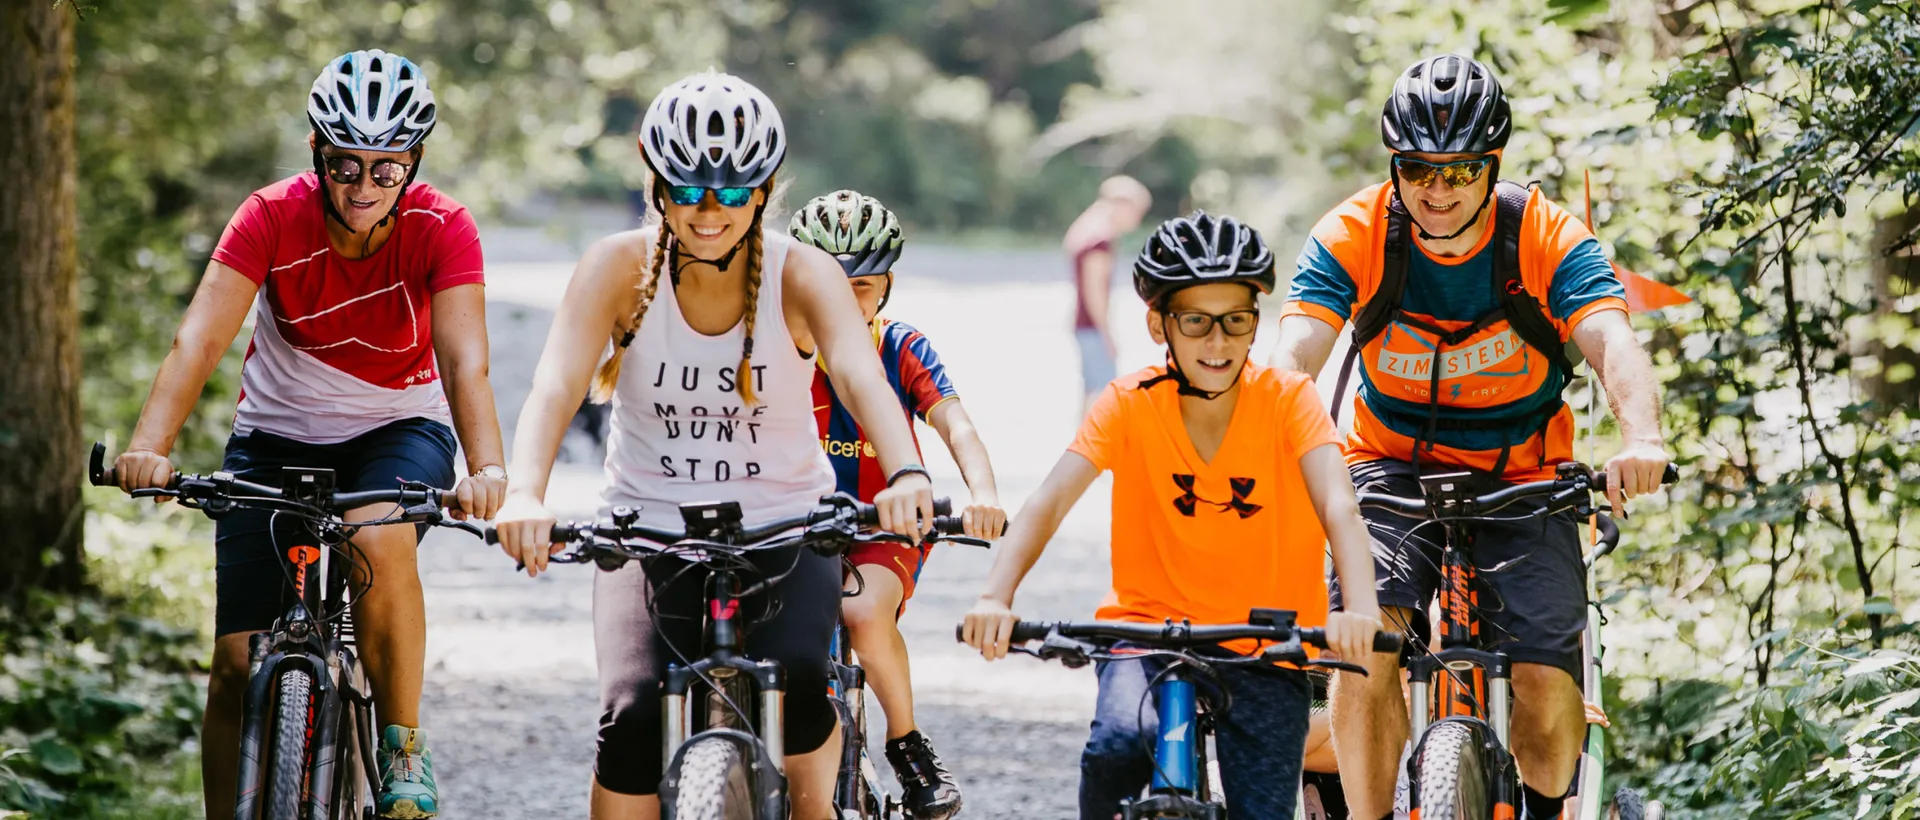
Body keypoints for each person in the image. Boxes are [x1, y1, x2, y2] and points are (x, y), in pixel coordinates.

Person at [489, 71, 936, 820]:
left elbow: (860, 378)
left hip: (785, 527)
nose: (709, 211)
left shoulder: (803, 272)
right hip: (646, 528)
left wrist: (908, 470)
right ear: (656, 183)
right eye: (689, 189)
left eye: (732, 194)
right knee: (630, 717)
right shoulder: (616, 266)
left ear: (762, 194)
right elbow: (555, 385)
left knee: (799, 683)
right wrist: (526, 491)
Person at [1268, 54, 1671, 820]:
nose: (1437, 188)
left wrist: (1641, 439)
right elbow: (1293, 360)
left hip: (1527, 475)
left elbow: (1612, 341)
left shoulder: (1546, 236)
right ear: (1396, 164)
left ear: (1491, 168)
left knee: (1549, 682)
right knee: (1364, 639)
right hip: (1386, 466)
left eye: (1459, 172)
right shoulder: (1354, 233)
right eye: (1419, 168)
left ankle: (1550, 810)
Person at [108, 50, 506, 819]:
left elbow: (465, 363)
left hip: (398, 425)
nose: (363, 188)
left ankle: (402, 750)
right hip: (276, 435)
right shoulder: (270, 215)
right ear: (317, 153)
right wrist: (150, 448)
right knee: (231, 666)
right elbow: (199, 340)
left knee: (377, 538)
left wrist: (487, 466)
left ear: (413, 163)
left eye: (387, 170)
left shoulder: (443, 227)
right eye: (346, 165)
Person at [962, 211, 1386, 820]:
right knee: (1114, 750)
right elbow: (1049, 501)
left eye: (1236, 321)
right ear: (1159, 324)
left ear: (1254, 322)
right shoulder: (1129, 404)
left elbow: (1339, 505)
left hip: (1269, 644)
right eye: (1196, 322)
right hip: (1147, 634)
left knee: (1264, 807)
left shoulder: (1289, 400)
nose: (1218, 343)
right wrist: (995, 597)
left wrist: (1361, 609)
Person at [788, 189, 1007, 819]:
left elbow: (956, 425)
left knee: (860, 612)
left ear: (886, 288)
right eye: (833, 282)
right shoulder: (779, 348)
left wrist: (982, 495)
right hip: (790, 524)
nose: (848, 300)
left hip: (882, 527)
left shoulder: (901, 346)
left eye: (865, 285)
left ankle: (906, 743)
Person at [1065, 175, 1153, 414]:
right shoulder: (1099, 240)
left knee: (1090, 391)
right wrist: (1107, 333)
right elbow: (1095, 290)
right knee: (1106, 395)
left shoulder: (1087, 229)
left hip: (1083, 324)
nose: (1137, 219)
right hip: (1092, 327)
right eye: (1136, 211)